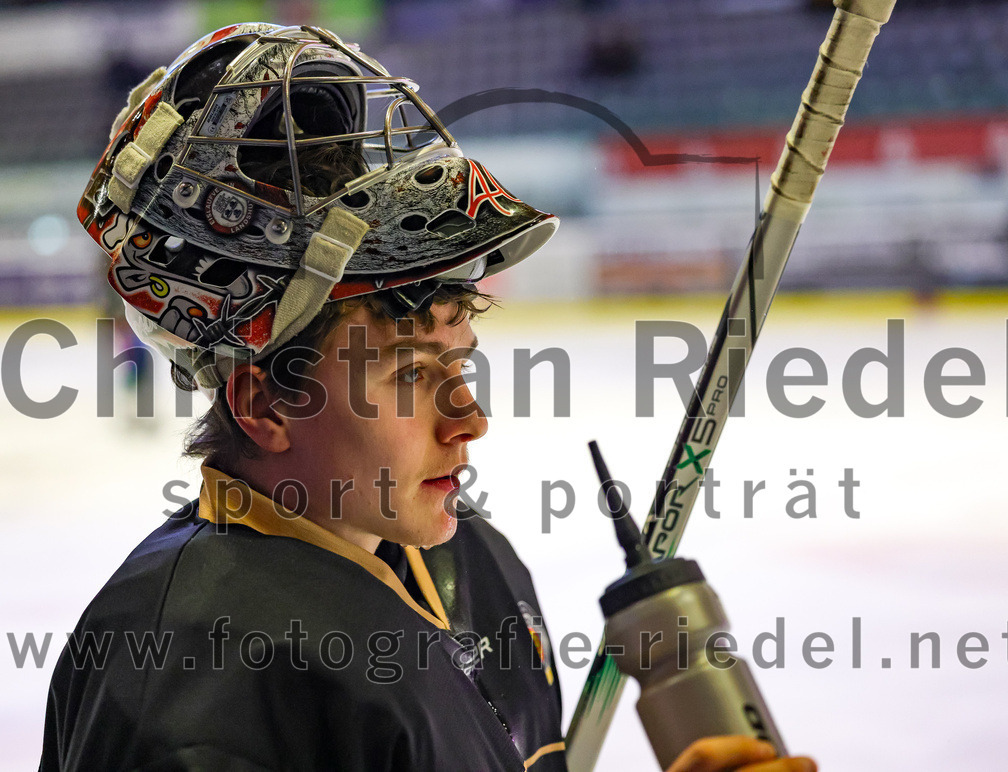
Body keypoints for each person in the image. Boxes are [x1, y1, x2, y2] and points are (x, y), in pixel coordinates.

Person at [41, 23, 816, 772]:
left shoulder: (465, 558)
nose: (471, 421)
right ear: (266, 405)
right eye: (410, 376)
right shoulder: (193, 693)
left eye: (460, 363)